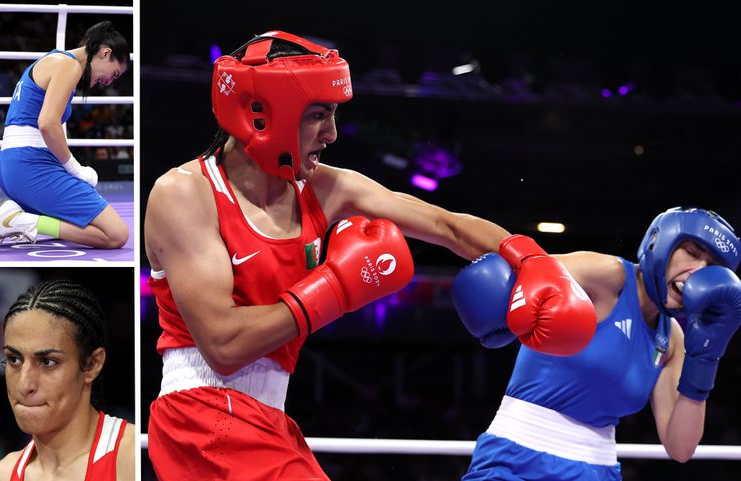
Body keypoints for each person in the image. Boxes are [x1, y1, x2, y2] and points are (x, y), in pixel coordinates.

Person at [143, 30, 598, 481]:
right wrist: (335, 288)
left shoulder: (325, 188)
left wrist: (530, 260)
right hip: (203, 416)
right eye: (319, 115)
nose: (332, 133)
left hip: (268, 419)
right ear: (263, 113)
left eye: (333, 114)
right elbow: (223, 346)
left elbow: (446, 225)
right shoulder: (185, 194)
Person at [452, 206, 741, 480]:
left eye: (711, 266)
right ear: (661, 244)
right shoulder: (606, 275)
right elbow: (520, 260)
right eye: (691, 253)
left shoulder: (673, 339)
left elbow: (680, 448)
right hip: (515, 457)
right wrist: (441, 226)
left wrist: (706, 357)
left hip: (597, 469)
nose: (698, 271)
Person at [0, 21, 130, 252]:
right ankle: (19, 221)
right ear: (105, 53)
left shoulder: (56, 61)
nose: (109, 81)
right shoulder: (69, 65)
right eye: (114, 73)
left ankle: (19, 216)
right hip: (29, 166)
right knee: (116, 234)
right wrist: (75, 168)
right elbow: (47, 124)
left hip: (16, 167)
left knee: (82, 226)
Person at [0, 280, 135, 481]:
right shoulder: (1, 475)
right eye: (14, 359)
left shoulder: (131, 458)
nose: (24, 385)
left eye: (47, 362)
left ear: (92, 364)